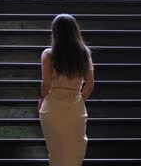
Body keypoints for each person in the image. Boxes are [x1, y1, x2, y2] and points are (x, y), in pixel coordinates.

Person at [38, 13, 95, 166]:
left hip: (52, 106)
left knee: (56, 152)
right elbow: (89, 85)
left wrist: (42, 98)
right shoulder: (84, 53)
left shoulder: (48, 54)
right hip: (75, 107)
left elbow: (46, 84)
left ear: (55, 32)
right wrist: (78, 100)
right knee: (74, 152)